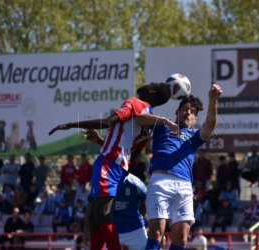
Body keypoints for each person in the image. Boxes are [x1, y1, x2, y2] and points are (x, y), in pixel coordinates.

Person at [49, 82, 171, 249]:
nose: (145, 84)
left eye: (149, 84)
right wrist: (101, 141)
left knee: (103, 215)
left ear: (152, 91)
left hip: (108, 163)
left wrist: (70, 124)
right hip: (116, 166)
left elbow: (107, 122)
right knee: (95, 218)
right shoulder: (148, 123)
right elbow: (130, 154)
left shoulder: (135, 103)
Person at [136, 85, 222, 249]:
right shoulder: (162, 127)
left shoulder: (195, 137)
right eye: (184, 109)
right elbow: (139, 118)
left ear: (195, 119)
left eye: (192, 112)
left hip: (184, 187)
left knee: (181, 238)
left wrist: (213, 100)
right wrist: (163, 121)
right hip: (160, 181)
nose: (188, 112)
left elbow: (210, 126)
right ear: (177, 111)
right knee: (155, 232)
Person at [83, 128, 150, 250]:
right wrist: (86, 230)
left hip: (134, 229)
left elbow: (150, 202)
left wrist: (156, 227)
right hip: (111, 231)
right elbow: (91, 205)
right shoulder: (102, 181)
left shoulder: (136, 183)